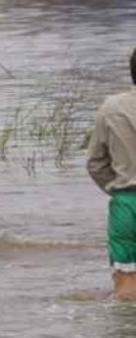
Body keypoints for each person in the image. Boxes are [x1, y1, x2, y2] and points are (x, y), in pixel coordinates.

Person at [85, 48, 136, 301]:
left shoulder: (111, 107)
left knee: (126, 291)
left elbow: (95, 163)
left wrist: (119, 190)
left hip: (126, 203)